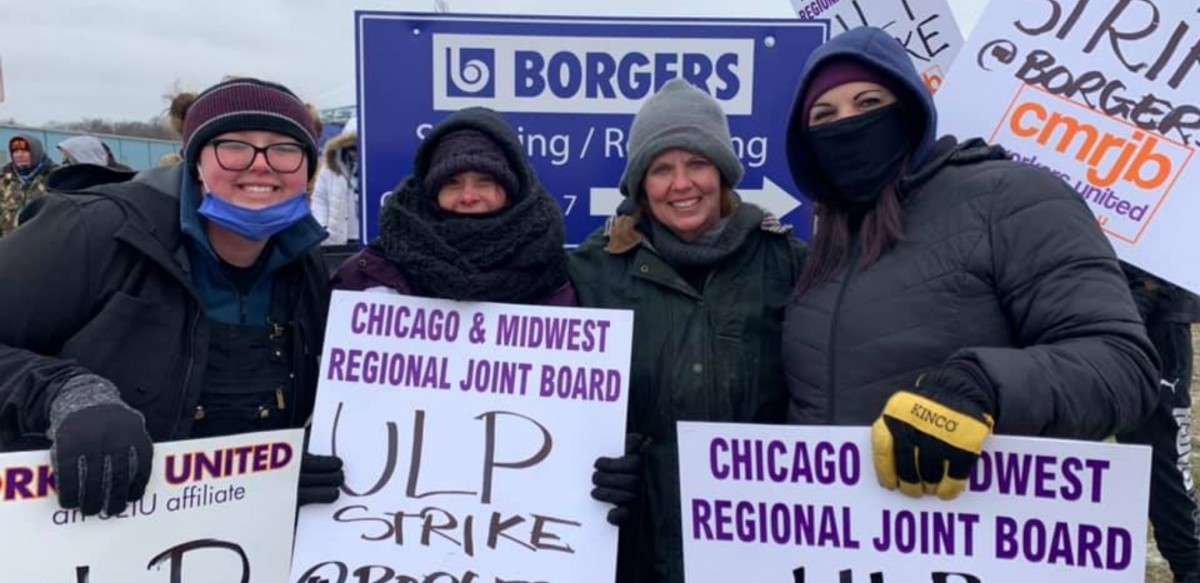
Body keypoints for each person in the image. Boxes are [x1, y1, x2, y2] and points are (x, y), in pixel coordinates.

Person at [781, 27, 1158, 501]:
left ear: (912, 110)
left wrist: (984, 385)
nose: (848, 123)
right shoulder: (822, 245)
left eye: (869, 103)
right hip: (836, 545)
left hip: (972, 538)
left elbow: (1123, 365)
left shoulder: (1011, 197)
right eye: (825, 114)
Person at [0, 77, 342, 516]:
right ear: (195, 160)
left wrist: (277, 474)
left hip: (230, 540)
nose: (261, 165)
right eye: (233, 145)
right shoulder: (95, 231)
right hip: (87, 531)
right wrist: (64, 394)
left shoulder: (305, 263)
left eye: (285, 149)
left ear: (308, 169)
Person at [570, 79, 808, 583]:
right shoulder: (593, 269)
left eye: (697, 163)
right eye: (661, 169)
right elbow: (543, 400)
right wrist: (586, 463)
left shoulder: (787, 263)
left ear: (721, 172)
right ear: (640, 185)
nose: (681, 184)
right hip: (633, 550)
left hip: (756, 548)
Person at [333, 106, 572, 306]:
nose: (468, 196)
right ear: (431, 193)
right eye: (452, 183)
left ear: (513, 191)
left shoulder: (559, 276)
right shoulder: (368, 275)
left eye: (485, 181)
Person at [1120, 263, 1200, 583]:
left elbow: (1177, 242)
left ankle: (1191, 567)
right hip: (1068, 312)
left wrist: (1141, 298)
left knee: (1162, 457)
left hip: (1155, 324)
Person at [313, 119, 361, 246]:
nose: (355, 152)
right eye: (352, 147)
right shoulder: (331, 167)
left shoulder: (380, 166)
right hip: (338, 240)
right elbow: (319, 198)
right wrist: (322, 227)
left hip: (373, 240)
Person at [1, 134, 57, 236]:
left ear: (36, 153)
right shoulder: (4, 179)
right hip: (9, 243)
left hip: (44, 241)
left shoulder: (55, 176)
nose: (19, 155)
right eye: (15, 152)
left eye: (24, 151)